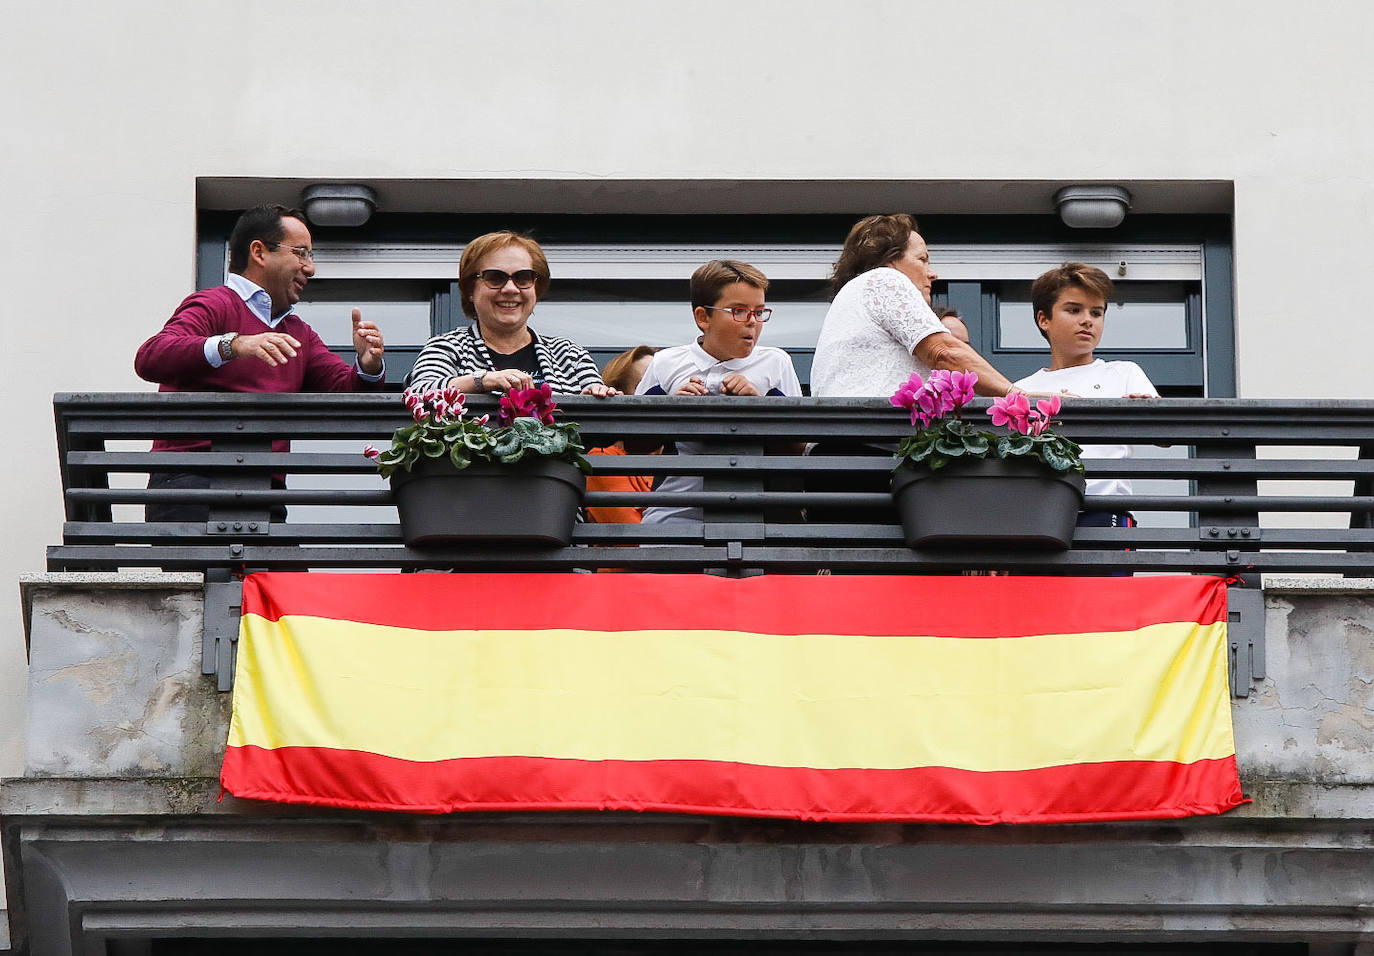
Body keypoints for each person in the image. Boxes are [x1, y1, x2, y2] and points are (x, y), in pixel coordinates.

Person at [134, 203, 387, 522]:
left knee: (288, 574)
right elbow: (152, 356)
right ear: (259, 252)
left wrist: (368, 364)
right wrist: (234, 345)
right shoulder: (214, 304)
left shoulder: (299, 333)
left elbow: (346, 392)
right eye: (300, 253)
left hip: (263, 496)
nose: (310, 268)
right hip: (191, 486)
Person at [635, 260, 801, 524]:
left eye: (759, 312)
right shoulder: (667, 362)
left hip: (759, 513)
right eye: (739, 311)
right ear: (703, 317)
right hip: (675, 509)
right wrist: (670, 410)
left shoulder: (776, 362)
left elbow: (797, 447)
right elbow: (635, 444)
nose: (752, 323)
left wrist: (759, 406)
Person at [811, 214, 1026, 399]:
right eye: (922, 259)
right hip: (868, 444)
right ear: (889, 260)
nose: (932, 273)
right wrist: (1017, 395)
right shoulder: (884, 279)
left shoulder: (850, 300)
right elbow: (943, 352)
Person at [1014, 262, 1158, 528]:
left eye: (1097, 312)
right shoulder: (1022, 387)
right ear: (1043, 319)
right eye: (1073, 309)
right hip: (1038, 515)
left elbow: (1166, 437)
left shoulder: (1124, 373)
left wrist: (1147, 413)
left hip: (1104, 512)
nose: (1087, 320)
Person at [408, 231, 617, 396]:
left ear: (536, 288)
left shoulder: (569, 355)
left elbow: (597, 418)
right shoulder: (447, 347)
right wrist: (483, 380)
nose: (510, 289)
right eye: (495, 277)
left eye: (523, 277)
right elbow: (419, 394)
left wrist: (600, 396)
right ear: (470, 291)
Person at [585, 346, 661, 524]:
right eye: (645, 386)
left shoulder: (682, 454)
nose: (659, 395)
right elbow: (630, 537)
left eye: (662, 386)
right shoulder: (603, 459)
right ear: (620, 395)